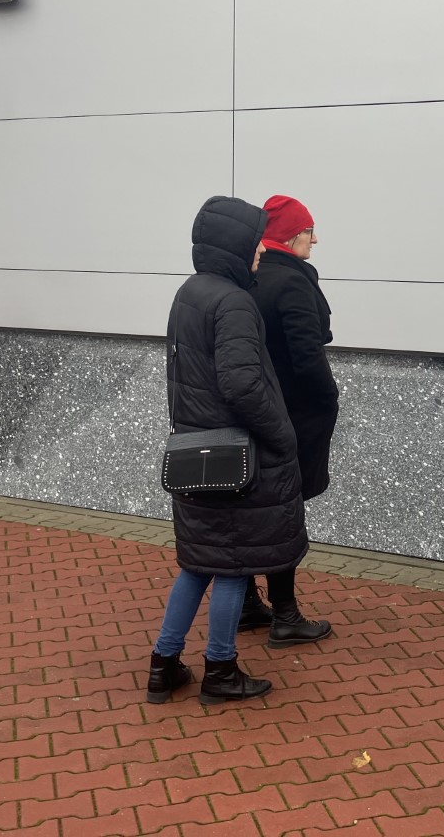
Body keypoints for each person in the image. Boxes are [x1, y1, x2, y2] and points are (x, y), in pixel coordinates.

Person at [148, 195, 308, 706]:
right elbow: (242, 386)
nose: (261, 252)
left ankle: (163, 665)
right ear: (235, 247)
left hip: (195, 449)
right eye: (255, 244)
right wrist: (282, 435)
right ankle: (221, 669)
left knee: (197, 564)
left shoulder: (189, 292)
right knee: (236, 564)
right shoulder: (234, 302)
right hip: (236, 456)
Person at [241, 195, 336, 647]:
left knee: (247, 507)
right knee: (285, 511)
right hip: (294, 416)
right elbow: (307, 356)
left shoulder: (250, 277)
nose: (315, 239)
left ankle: (245, 606)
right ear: (289, 235)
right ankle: (285, 614)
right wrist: (328, 398)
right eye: (308, 231)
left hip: (255, 410)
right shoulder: (293, 283)